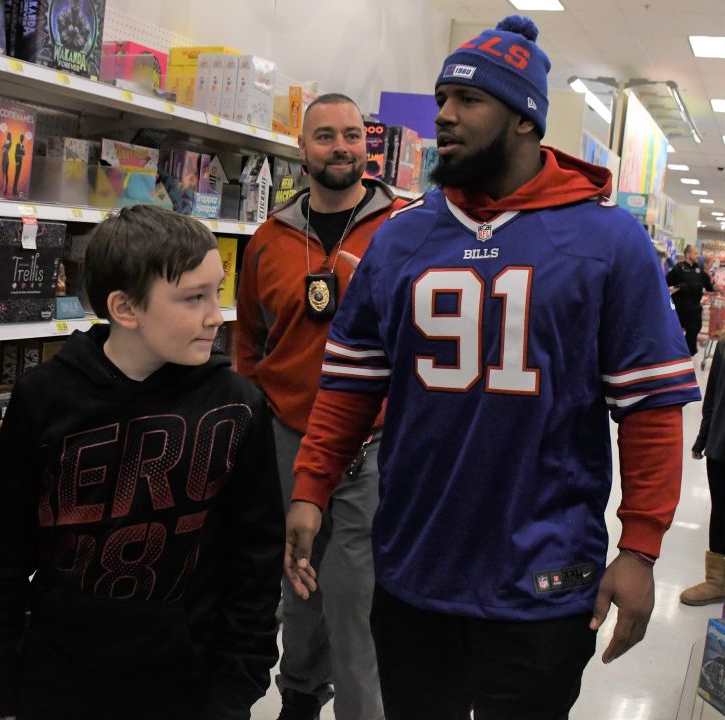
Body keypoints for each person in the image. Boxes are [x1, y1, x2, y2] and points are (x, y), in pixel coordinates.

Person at [283, 15, 702, 720]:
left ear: (524, 121)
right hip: (415, 562)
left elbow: (650, 409)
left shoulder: (608, 242)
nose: (444, 114)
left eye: (468, 100)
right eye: (442, 95)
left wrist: (642, 547)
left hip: (545, 573)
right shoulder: (403, 238)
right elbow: (352, 384)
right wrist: (311, 485)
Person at [0, 205, 283, 720]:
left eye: (217, 292)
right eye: (193, 298)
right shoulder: (44, 398)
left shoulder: (238, 407)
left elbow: (255, 563)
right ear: (126, 308)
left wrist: (234, 692)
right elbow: (3, 549)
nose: (215, 315)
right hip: (57, 678)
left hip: (188, 685)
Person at [235, 93, 406, 720]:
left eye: (353, 135)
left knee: (356, 589)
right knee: (298, 576)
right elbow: (248, 341)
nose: (341, 147)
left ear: (369, 145)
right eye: (326, 136)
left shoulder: (406, 228)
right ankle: (302, 696)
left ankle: (365, 709)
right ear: (301, 149)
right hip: (288, 434)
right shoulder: (268, 239)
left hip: (376, 439)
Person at [682, 331, 725, 605]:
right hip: (723, 444)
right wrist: (704, 437)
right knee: (721, 508)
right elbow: (713, 394)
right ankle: (717, 581)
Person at [667, 244, 715, 355]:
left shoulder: (699, 269)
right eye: (695, 253)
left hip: (694, 307)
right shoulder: (678, 268)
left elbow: (709, 286)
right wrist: (678, 287)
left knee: (694, 331)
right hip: (679, 307)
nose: (698, 256)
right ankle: (674, 353)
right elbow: (666, 284)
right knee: (674, 332)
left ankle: (689, 354)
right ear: (688, 254)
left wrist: (715, 288)